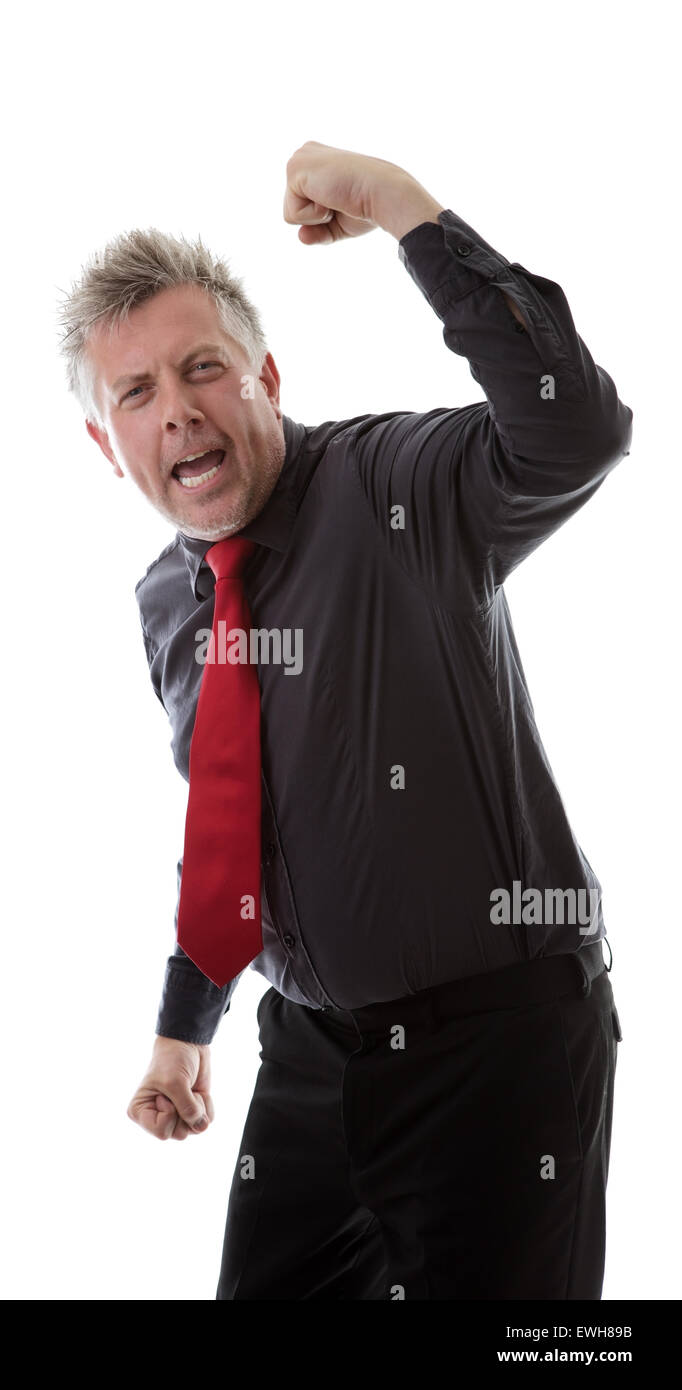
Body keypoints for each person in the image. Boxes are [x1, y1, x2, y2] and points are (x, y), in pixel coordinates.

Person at [57, 140, 632, 1299]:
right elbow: (233, 826)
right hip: (311, 1056)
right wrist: (186, 1021)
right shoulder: (170, 600)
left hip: (493, 1055)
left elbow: (572, 431)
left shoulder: (393, 486)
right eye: (136, 392)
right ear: (103, 444)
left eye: (202, 368)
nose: (177, 413)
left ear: (265, 376)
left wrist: (406, 214)